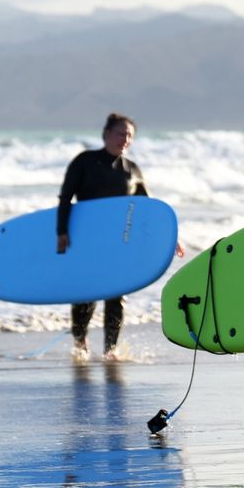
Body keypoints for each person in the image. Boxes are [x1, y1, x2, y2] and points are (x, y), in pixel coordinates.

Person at [57, 113, 183, 361]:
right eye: (120, 133)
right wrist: (61, 232)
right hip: (89, 241)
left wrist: (169, 238)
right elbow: (65, 198)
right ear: (106, 134)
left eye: (129, 136)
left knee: (117, 295)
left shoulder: (132, 170)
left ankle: (110, 349)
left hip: (120, 243)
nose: (125, 139)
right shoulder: (84, 161)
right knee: (86, 292)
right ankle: (80, 342)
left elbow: (149, 210)